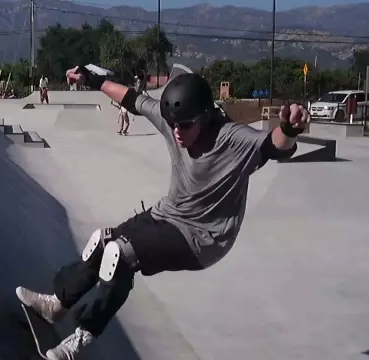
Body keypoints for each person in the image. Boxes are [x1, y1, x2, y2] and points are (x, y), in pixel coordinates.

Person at [16, 65, 309, 360]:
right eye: (173, 125)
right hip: (166, 215)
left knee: (120, 255)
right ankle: (57, 305)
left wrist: (289, 129)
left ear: (205, 116)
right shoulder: (173, 121)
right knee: (102, 242)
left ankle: (81, 337)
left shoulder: (232, 139)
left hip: (203, 238)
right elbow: (132, 99)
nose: (178, 132)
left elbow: (275, 147)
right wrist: (90, 79)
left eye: (185, 125)